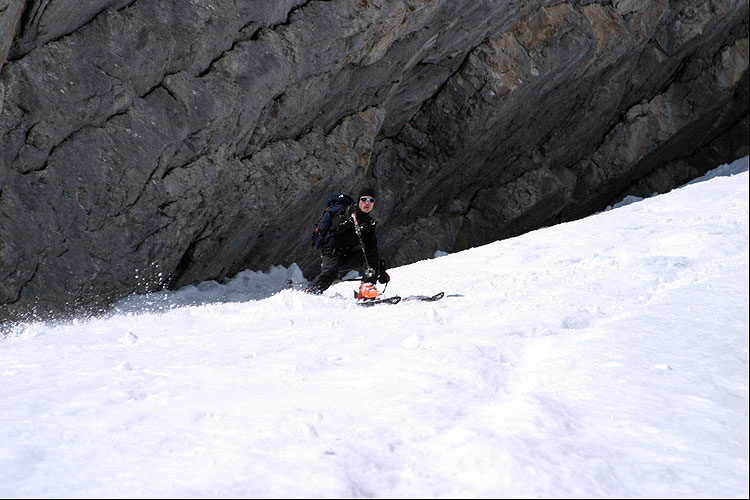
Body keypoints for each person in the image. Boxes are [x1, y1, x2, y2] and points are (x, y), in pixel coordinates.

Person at [306, 186, 390, 294]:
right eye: (364, 199)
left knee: (371, 256)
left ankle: (367, 288)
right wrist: (348, 219)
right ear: (359, 200)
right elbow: (335, 229)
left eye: (371, 200)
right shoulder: (347, 212)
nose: (367, 203)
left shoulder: (369, 223)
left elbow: (371, 248)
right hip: (332, 253)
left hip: (347, 256)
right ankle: (310, 293)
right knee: (330, 273)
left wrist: (379, 269)